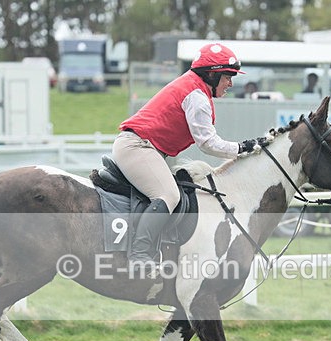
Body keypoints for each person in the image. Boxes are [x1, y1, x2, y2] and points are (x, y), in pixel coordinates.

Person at [112, 43, 264, 274]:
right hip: (137, 147)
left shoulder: (195, 88)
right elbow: (207, 143)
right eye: (228, 77)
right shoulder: (196, 96)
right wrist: (243, 148)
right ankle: (140, 255)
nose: (231, 83)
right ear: (212, 75)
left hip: (141, 147)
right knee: (169, 195)